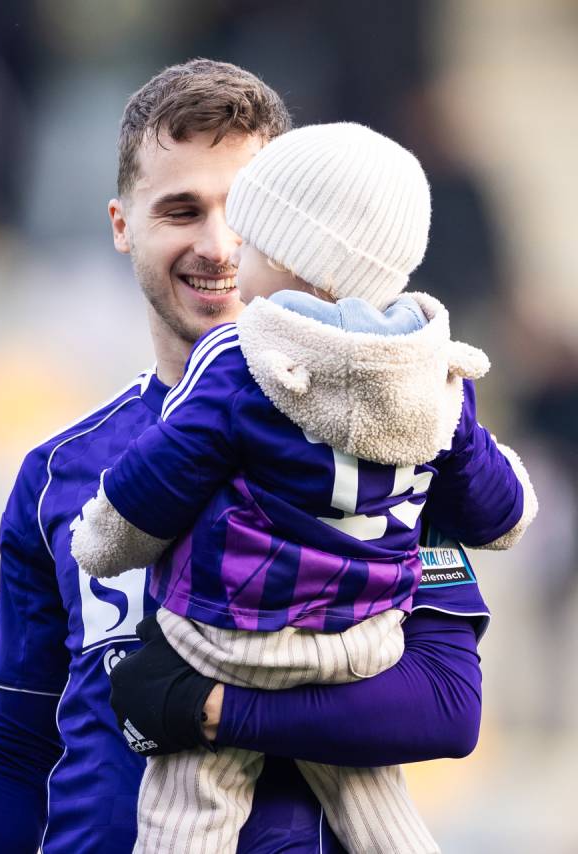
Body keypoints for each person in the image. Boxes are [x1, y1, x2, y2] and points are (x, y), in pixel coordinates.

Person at [0, 59, 495, 854]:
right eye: (181, 210)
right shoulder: (59, 471)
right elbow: (14, 748)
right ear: (122, 225)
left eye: (245, 213)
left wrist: (212, 710)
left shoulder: (396, 429)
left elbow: (443, 704)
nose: (219, 244)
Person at [70, 122, 536, 853]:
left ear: (294, 261)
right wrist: (460, 427)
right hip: (362, 647)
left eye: (250, 240)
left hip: (227, 642)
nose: (230, 255)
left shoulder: (241, 361)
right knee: (378, 808)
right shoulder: (438, 384)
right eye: (186, 210)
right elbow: (503, 514)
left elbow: (147, 493)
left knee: (189, 811)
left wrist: (210, 706)